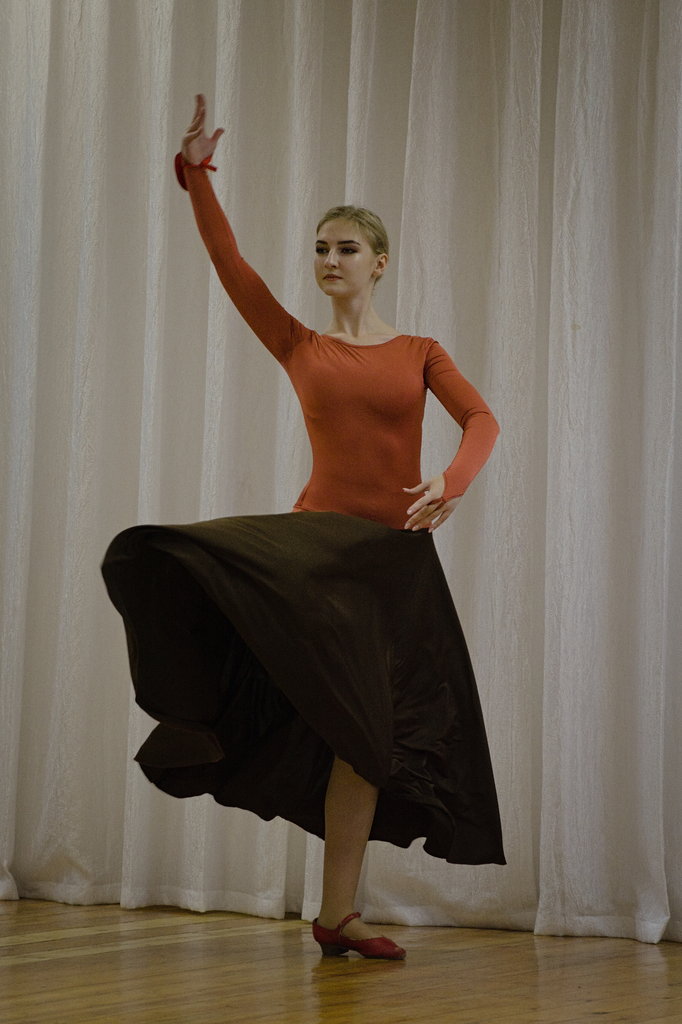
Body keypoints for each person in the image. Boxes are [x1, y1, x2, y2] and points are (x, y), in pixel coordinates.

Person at [102, 95, 504, 962]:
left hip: (392, 566)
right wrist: (197, 175)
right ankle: (203, 728)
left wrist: (451, 480)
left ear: (379, 263)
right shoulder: (298, 345)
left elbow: (483, 421)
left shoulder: (420, 352)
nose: (329, 260)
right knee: (322, 716)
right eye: (320, 248)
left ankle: (337, 915)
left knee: (367, 744)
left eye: (345, 248)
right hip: (315, 555)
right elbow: (229, 262)